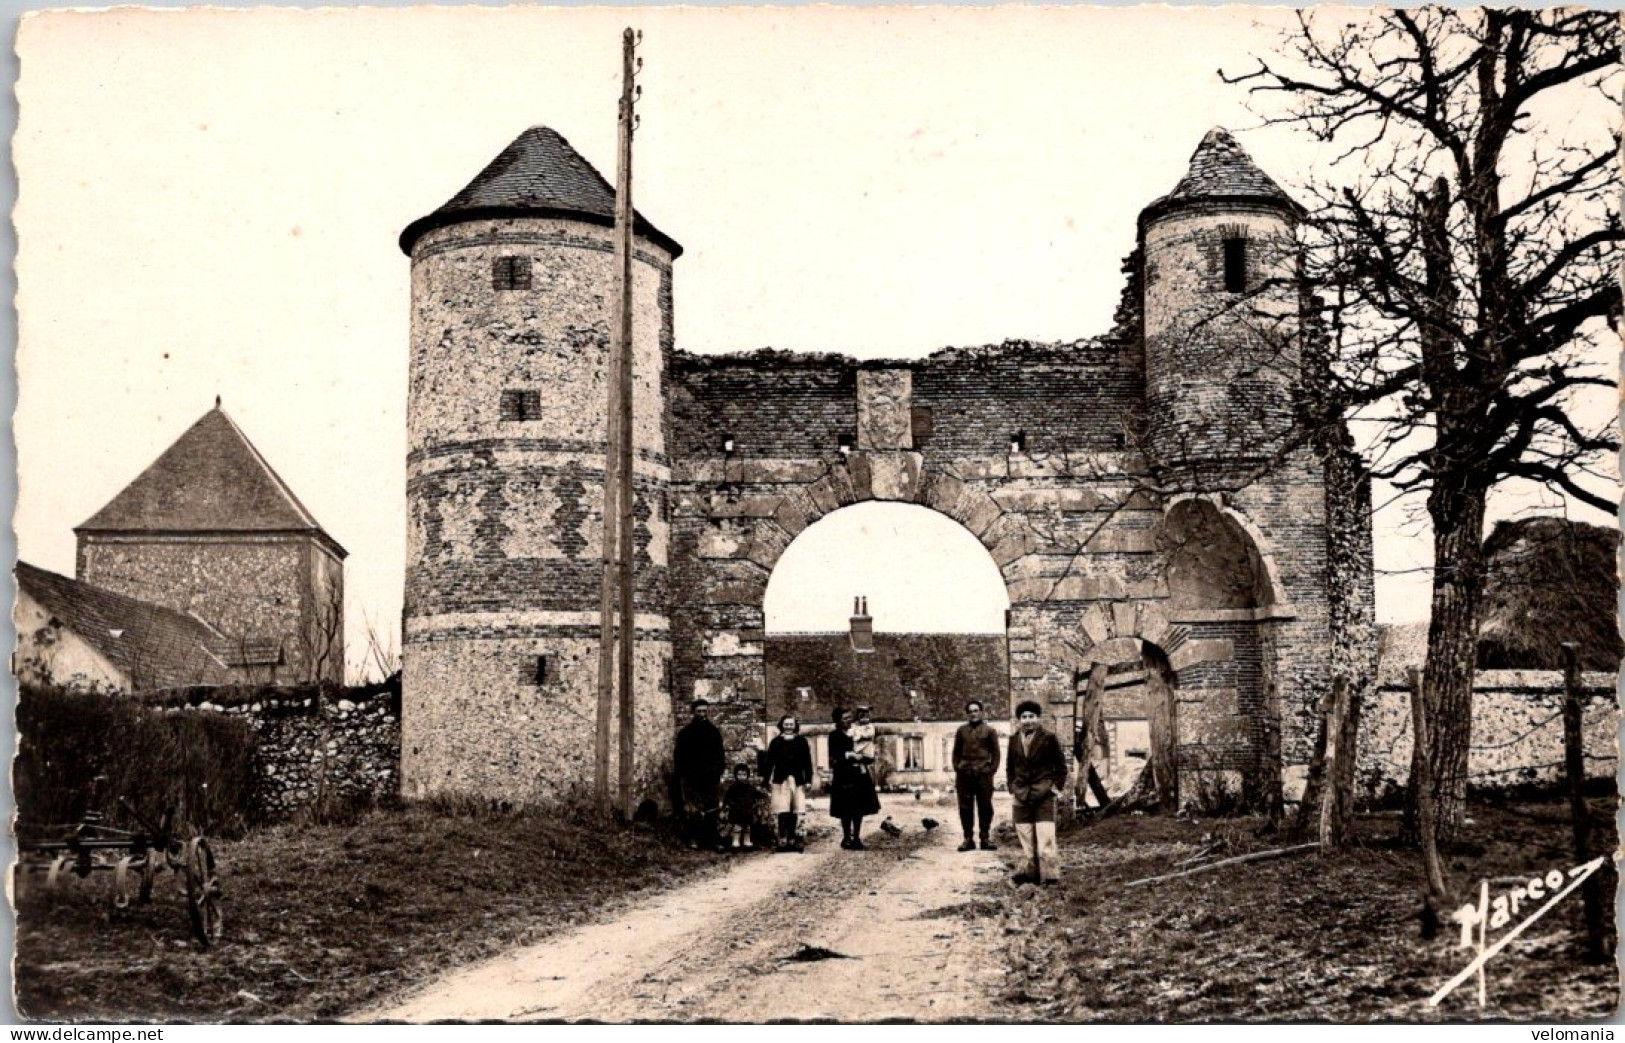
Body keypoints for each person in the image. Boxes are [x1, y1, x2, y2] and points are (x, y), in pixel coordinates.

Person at [1006, 700, 1068, 885]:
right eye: (1024, 717)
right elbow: (1010, 767)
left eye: (1031, 716)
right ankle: (1031, 876)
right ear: (1019, 720)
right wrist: (1012, 787)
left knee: (1045, 841)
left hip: (1044, 795)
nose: (1027, 720)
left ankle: (1050, 878)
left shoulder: (1049, 738)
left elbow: (1061, 766)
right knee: (1026, 840)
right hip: (1021, 795)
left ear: (1038, 718)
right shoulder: (1013, 740)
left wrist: (1054, 787)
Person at [673, 698, 726, 850]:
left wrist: (718, 771)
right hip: (692, 777)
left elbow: (720, 754)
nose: (702, 714)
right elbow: (679, 755)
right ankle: (694, 839)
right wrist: (682, 774)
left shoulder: (713, 732)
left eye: (704, 711)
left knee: (711, 808)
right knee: (693, 809)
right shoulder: (686, 733)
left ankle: (712, 840)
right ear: (693, 712)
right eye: (699, 711)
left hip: (710, 777)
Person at [827, 707, 882, 849]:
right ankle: (846, 837)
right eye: (844, 718)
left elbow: (868, 750)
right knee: (845, 806)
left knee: (859, 806)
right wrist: (848, 755)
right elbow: (833, 755)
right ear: (838, 721)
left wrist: (864, 757)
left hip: (859, 773)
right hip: (843, 774)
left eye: (849, 718)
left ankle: (856, 837)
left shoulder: (859, 731)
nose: (848, 721)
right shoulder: (834, 735)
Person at [952, 699, 1001, 852]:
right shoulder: (961, 731)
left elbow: (996, 753)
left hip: (983, 774)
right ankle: (968, 839)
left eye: (976, 710)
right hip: (965, 774)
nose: (973, 713)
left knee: (985, 806)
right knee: (965, 807)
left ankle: (985, 838)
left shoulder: (990, 731)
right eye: (970, 711)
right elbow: (956, 752)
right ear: (967, 714)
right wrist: (958, 767)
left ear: (981, 712)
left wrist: (991, 770)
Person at [761, 715, 814, 852]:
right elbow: (769, 763)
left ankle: (795, 839)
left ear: (795, 726)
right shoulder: (776, 742)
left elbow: (807, 762)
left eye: (791, 724)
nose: (789, 727)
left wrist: (808, 780)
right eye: (786, 724)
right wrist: (765, 780)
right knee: (782, 810)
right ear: (781, 725)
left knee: (796, 810)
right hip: (780, 780)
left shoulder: (801, 741)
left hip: (797, 780)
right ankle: (782, 839)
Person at [721, 763, 762, 850]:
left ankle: (747, 842)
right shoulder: (733, 788)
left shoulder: (750, 788)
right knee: (737, 827)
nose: (742, 777)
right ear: (736, 775)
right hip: (736, 811)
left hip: (747, 811)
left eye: (744, 775)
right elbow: (727, 798)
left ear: (747, 775)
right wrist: (728, 805)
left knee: (747, 827)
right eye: (739, 774)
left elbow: (757, 795)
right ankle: (735, 842)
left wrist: (761, 794)